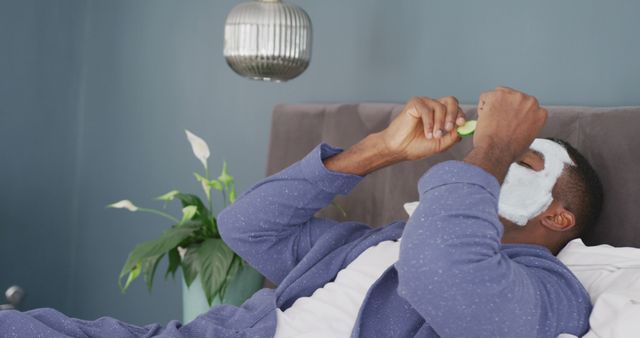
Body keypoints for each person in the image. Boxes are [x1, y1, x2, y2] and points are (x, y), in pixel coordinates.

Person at [0, 87, 601, 337]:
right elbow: (246, 226)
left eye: (517, 163)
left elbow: (446, 272)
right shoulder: (375, 243)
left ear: (559, 217)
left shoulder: (550, 289)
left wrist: (493, 143)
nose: (485, 163)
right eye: (493, 156)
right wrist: (384, 148)